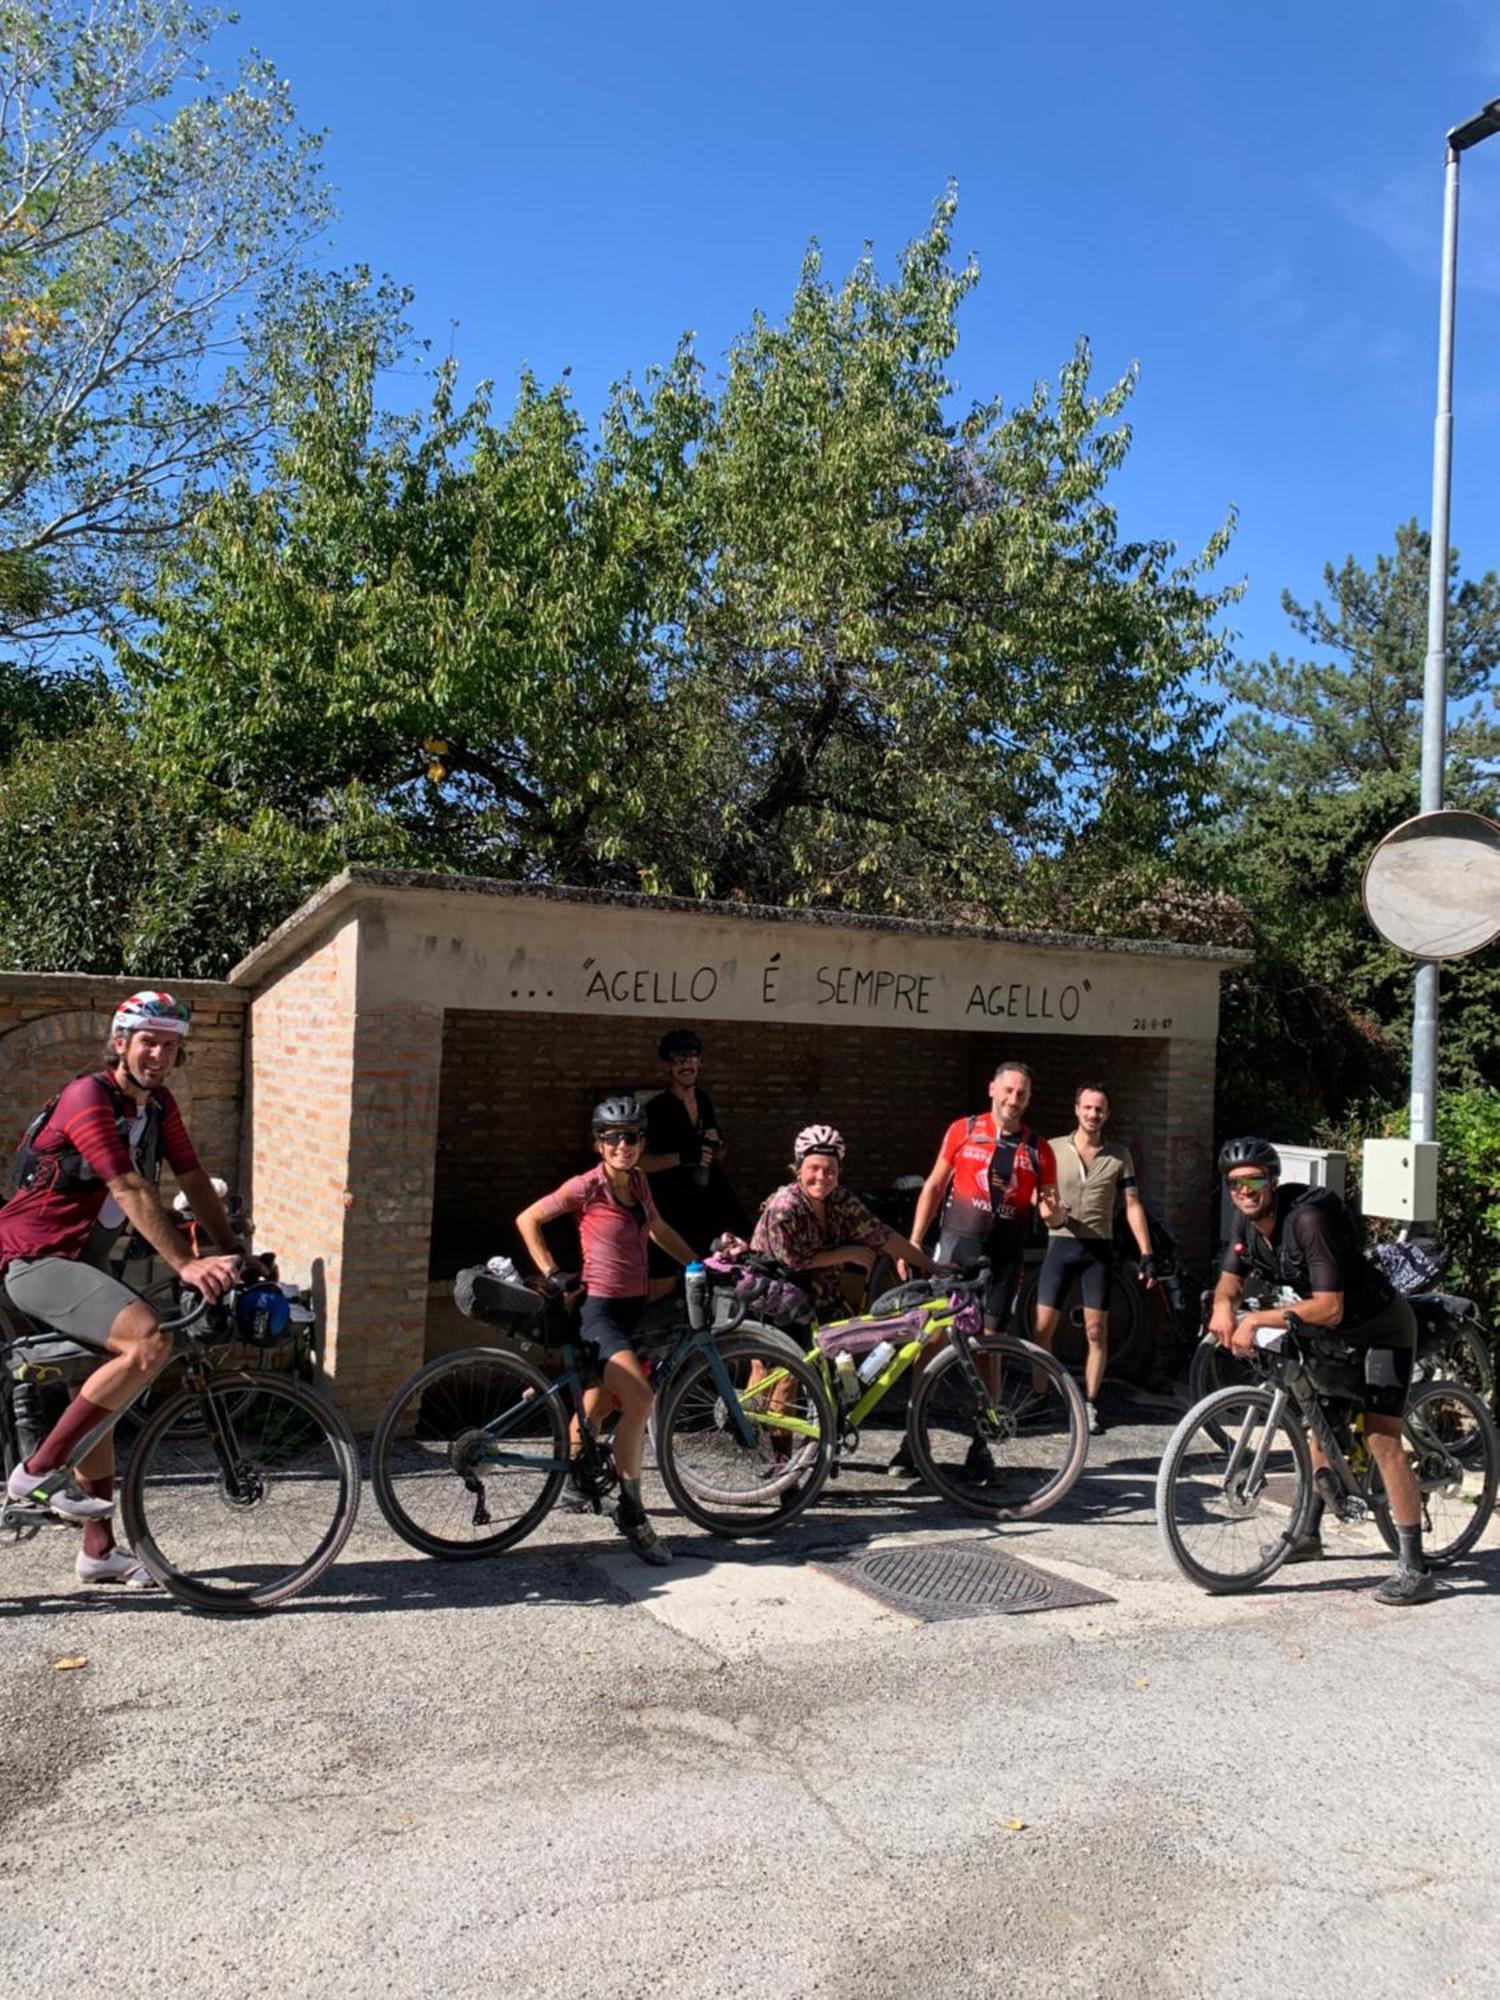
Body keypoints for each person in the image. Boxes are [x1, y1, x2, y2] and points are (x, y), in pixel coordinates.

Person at [1, 991, 252, 1587]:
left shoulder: (158, 1107)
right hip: (37, 1260)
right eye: (148, 1042)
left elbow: (192, 1175)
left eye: (170, 1045)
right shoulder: (87, 1096)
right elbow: (128, 1187)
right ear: (120, 1044)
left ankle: (98, 1551)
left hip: (83, 1263)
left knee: (106, 1395)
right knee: (145, 1342)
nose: (159, 1055)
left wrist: (225, 1248)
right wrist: (188, 1265)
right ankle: (37, 1473)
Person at [1208, 1136, 1435, 1608]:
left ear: (1272, 1180)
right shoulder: (1245, 1222)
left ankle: (1416, 1568)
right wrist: (1223, 1309)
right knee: (1315, 1419)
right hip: (1330, 1331)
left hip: (1379, 1328)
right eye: (1234, 1183)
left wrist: (1255, 1319)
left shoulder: (1307, 1221)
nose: (1244, 1191)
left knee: (1381, 1438)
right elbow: (1229, 1282)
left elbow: (1330, 1307)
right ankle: (1309, 1535)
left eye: (1253, 1180)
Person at [515, 1094, 701, 1567]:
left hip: (634, 1309)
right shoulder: (586, 1187)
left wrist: (697, 1262)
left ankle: (579, 1484)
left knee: (599, 1403)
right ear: (599, 1144)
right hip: (599, 1313)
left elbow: (656, 1228)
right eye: (614, 1138)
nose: (624, 1145)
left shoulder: (639, 1182)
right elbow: (529, 1218)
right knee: (640, 1399)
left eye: (633, 1137)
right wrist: (553, 1271)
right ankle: (632, 1512)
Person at [1032, 1082, 1156, 1437]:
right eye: (1087, 1107)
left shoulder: (1118, 1155)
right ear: (1076, 1109)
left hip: (1098, 1249)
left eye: (1099, 1109)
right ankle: (1039, 1397)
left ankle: (1089, 1402)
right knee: (1042, 1329)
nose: (1093, 1114)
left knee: (1095, 1331)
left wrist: (1147, 1253)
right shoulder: (1053, 1149)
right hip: (1060, 1243)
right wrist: (1049, 1212)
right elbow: (1035, 1197)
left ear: (1107, 1114)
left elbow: (1132, 1205)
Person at [904, 1060, 1061, 1333]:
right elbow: (934, 1186)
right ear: (992, 1089)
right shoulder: (964, 1129)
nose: (1013, 1099)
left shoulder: (1040, 1148)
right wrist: (915, 1241)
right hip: (957, 1247)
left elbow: (1051, 1208)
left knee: (992, 1346)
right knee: (934, 1336)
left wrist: (1055, 1216)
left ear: (1029, 1098)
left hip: (1005, 1257)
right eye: (1008, 1090)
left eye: (1021, 1094)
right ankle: (926, 1378)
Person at [749, 1125, 933, 1328]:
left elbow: (880, 1233)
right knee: (790, 1358)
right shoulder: (785, 1208)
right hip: (780, 1303)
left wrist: (931, 1266)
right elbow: (792, 1261)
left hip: (822, 1299)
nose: (821, 1177)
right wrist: (847, 1253)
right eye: (814, 1168)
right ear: (798, 1170)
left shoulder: (840, 1199)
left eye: (830, 1171)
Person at [640, 1027, 747, 1296]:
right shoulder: (656, 1109)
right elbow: (639, 1163)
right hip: (671, 1204)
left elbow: (719, 1155)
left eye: (691, 1058)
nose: (686, 1065)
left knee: (727, 1261)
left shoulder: (703, 1099)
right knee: (665, 1279)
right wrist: (681, 1158)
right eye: (678, 1060)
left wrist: (718, 1143)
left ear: (699, 1062)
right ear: (667, 1066)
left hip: (708, 1197)